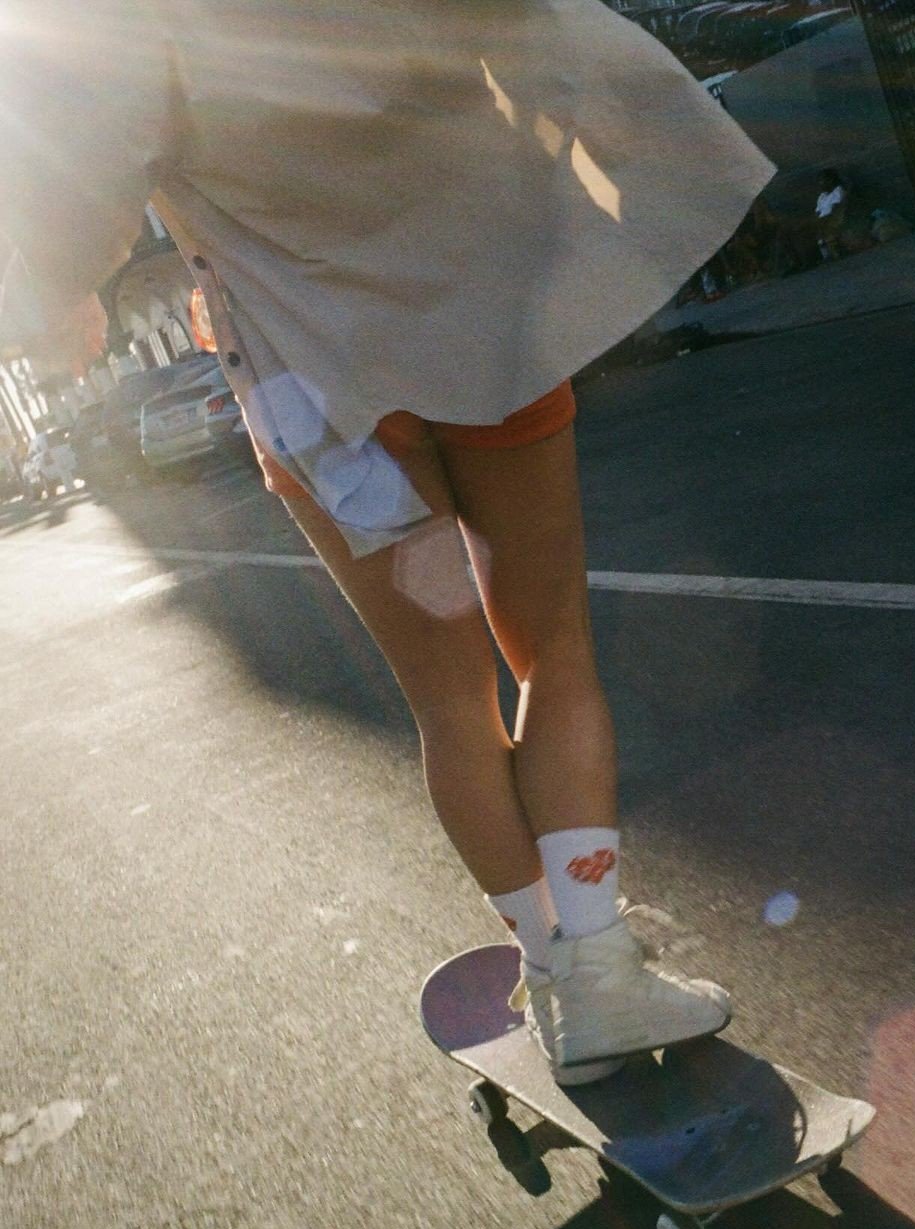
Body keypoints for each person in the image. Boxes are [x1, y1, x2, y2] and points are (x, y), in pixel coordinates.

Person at [1, 0, 774, 1083]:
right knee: (553, 655)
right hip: (483, 320)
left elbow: (76, 182)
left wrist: (61, 295)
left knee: (449, 705)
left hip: (317, 395)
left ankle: (556, 973)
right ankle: (598, 968)